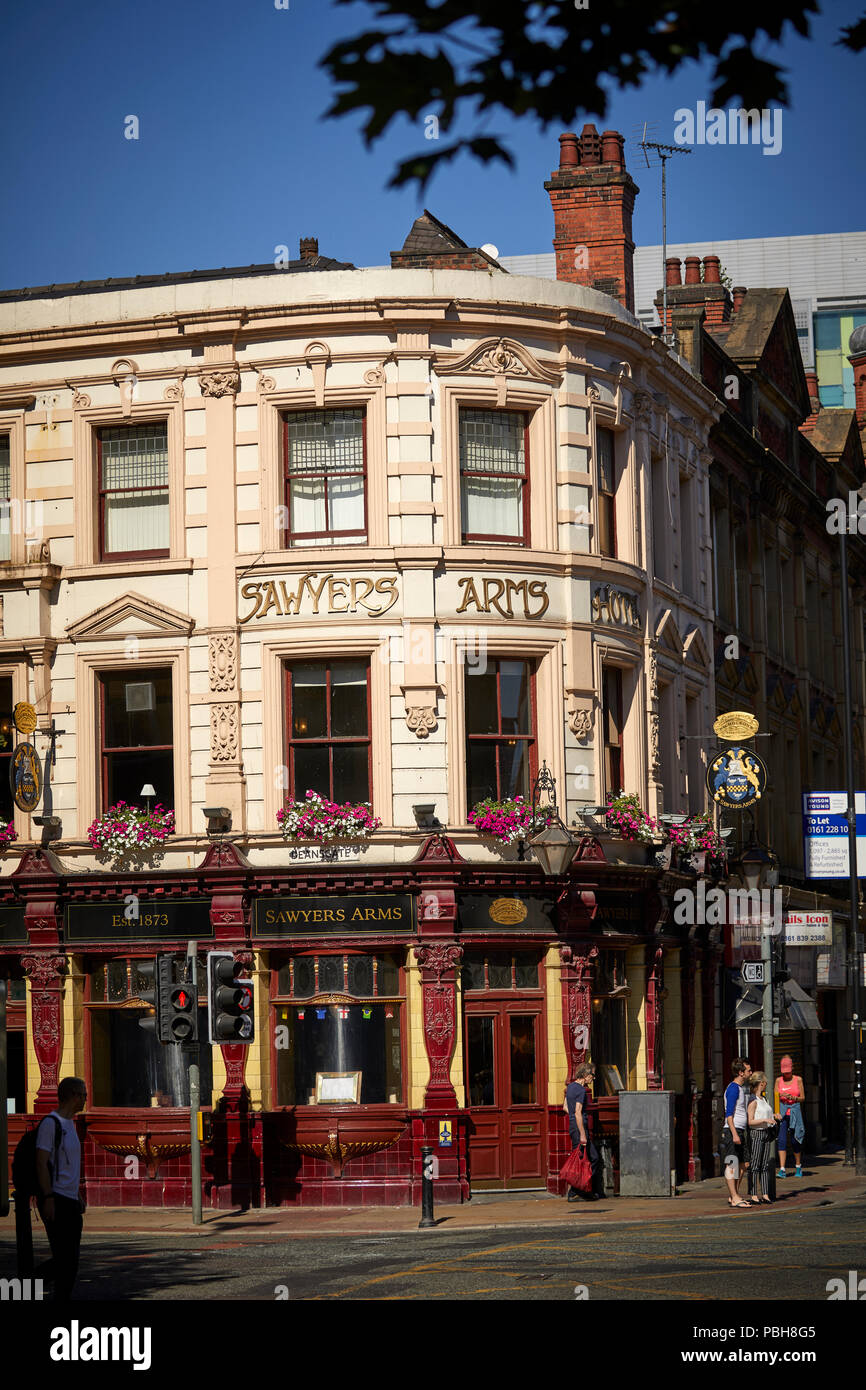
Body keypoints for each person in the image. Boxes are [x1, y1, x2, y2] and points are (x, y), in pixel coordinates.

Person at [35, 1076, 87, 1301]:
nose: (85, 1099)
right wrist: (47, 1198)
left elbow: (69, 1165)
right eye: (83, 1095)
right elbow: (41, 1162)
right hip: (55, 1199)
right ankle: (22, 1287)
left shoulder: (71, 1124)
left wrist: (78, 1195)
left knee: (71, 1260)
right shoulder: (51, 1123)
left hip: (71, 1200)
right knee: (63, 1259)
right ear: (73, 1096)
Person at [565, 1062, 604, 1201]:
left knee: (584, 1159)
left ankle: (579, 1191)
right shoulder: (581, 1091)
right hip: (579, 1129)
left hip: (573, 1127)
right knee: (592, 1158)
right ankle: (577, 1191)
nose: (593, 1078)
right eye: (592, 1075)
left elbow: (565, 1107)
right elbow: (577, 1113)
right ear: (586, 1075)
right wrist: (582, 1134)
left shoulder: (570, 1087)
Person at [721, 1058, 753, 1208]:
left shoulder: (740, 1088)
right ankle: (734, 1196)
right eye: (748, 1070)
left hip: (740, 1129)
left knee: (744, 1163)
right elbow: (729, 1114)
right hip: (732, 1130)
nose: (750, 1073)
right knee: (732, 1164)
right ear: (741, 1073)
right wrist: (734, 1134)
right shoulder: (733, 1088)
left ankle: (734, 1194)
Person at [747, 1072, 776, 1203]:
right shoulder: (753, 1101)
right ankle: (753, 1194)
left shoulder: (764, 1099)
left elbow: (767, 1114)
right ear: (761, 1083)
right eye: (765, 1082)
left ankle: (765, 1194)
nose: (766, 1085)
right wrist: (765, 1119)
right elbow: (750, 1121)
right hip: (756, 1133)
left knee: (764, 1165)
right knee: (755, 1165)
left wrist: (774, 1117)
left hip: (766, 1133)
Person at [774, 1055, 805, 1178]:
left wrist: (794, 1098)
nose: (786, 1075)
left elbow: (803, 1098)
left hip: (794, 1111)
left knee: (795, 1139)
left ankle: (798, 1166)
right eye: (784, 1073)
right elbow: (775, 1097)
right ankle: (782, 1169)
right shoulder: (778, 1081)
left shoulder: (798, 1080)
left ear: (792, 1069)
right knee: (781, 1140)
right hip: (782, 1112)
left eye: (788, 1072)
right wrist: (780, 1096)